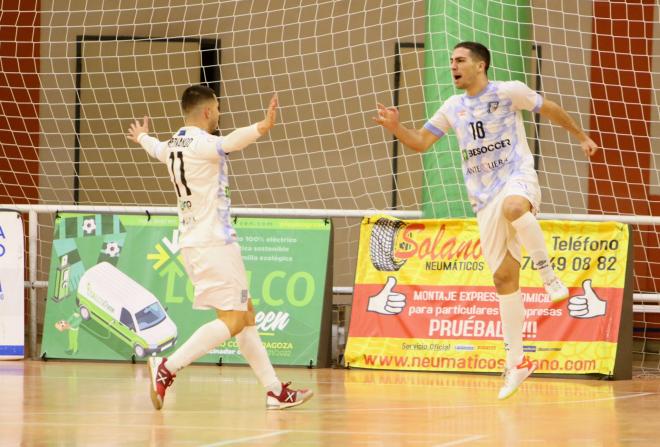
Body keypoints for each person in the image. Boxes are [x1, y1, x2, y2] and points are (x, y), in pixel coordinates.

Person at [372, 42, 599, 400]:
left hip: (516, 178)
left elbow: (549, 107)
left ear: (480, 65)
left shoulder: (508, 92)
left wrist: (581, 137)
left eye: (460, 60)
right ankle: (517, 361)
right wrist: (397, 127)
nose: (453, 66)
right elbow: (420, 142)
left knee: (514, 207)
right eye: (450, 61)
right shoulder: (453, 107)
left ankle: (549, 277)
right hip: (482, 198)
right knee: (503, 278)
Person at [126, 85, 313, 410]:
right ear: (208, 112)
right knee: (235, 319)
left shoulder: (172, 144)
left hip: (194, 240)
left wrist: (142, 136)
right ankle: (167, 367)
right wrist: (262, 127)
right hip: (213, 242)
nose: (220, 116)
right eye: (218, 110)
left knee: (245, 315)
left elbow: (155, 148)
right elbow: (231, 142)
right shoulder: (203, 143)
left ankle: (273, 391)